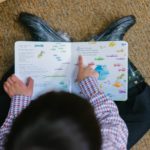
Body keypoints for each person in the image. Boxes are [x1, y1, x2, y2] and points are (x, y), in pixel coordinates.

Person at [0, 56, 128, 150]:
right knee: (143, 110)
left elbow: (6, 135)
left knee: (13, 81)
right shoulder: (109, 145)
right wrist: (89, 83)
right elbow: (112, 120)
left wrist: (20, 99)